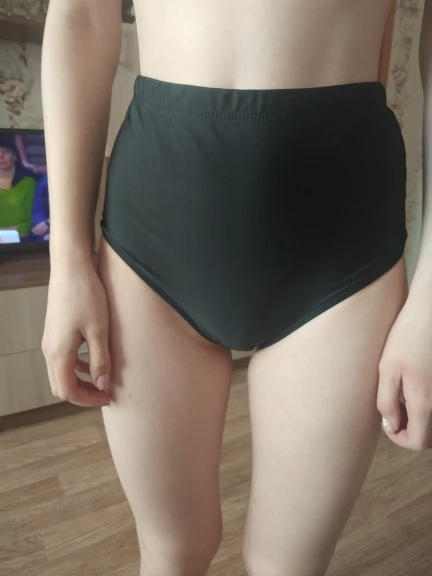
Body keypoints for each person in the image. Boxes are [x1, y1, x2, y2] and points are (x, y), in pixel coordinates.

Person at [41, 1, 432, 575]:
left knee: (287, 566)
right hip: (153, 236)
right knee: (173, 550)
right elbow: (81, 16)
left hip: (344, 244)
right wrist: (67, 259)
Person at [0, 137, 37, 239]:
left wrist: (13, 232)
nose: (0, 156)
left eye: (5, 152)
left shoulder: (29, 182)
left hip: (23, 238)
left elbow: (33, 218)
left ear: (15, 156)